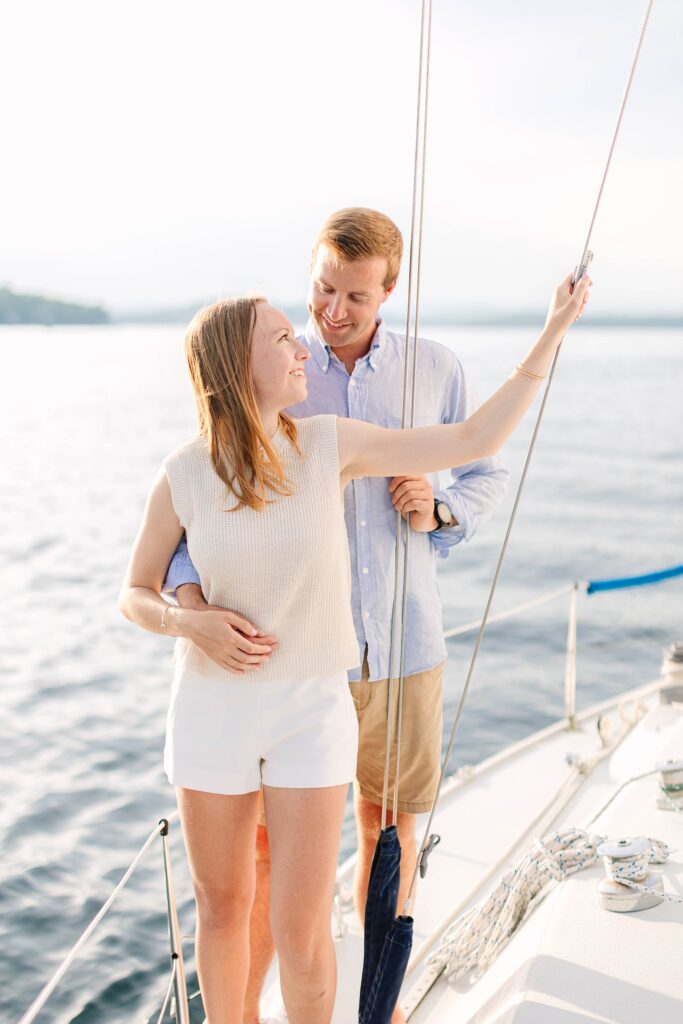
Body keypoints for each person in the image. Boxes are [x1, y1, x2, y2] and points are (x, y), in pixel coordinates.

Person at [119, 270, 591, 1024]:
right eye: (282, 338)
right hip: (210, 708)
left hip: (311, 710)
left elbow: (473, 440)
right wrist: (189, 623)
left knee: (302, 931)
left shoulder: (325, 444)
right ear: (239, 368)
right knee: (221, 911)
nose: (302, 349)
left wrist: (553, 329)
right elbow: (135, 593)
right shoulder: (182, 473)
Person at [166, 208, 508, 1024]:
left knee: (386, 835)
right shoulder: (270, 363)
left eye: (353, 294)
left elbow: (480, 471)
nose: (332, 310)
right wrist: (187, 604)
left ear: (388, 290)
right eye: (322, 287)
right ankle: (240, 1011)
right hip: (285, 660)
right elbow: (203, 506)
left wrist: (439, 510)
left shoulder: (434, 367)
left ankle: (375, 1008)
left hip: (400, 643)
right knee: (260, 852)